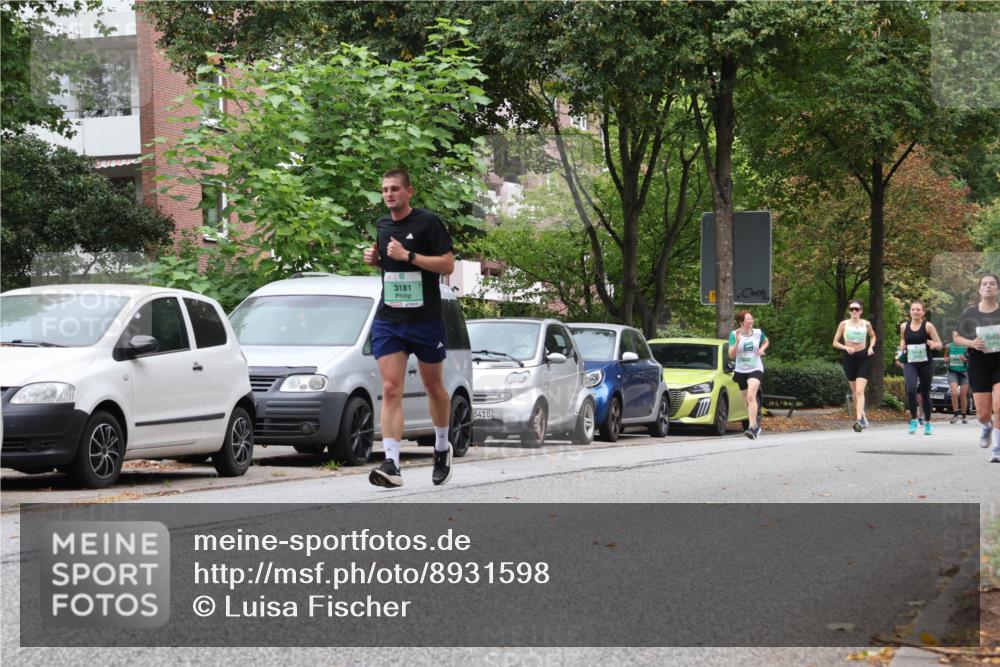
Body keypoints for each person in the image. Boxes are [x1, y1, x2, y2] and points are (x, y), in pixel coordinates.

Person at [363, 168, 456, 487]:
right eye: (385, 189)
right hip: (390, 319)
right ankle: (391, 463)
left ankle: (442, 447)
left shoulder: (428, 222)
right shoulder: (382, 224)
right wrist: (375, 260)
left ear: (408, 192)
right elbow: (390, 265)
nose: (388, 194)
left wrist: (409, 255)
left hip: (425, 319)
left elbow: (447, 265)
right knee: (390, 388)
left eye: (394, 189)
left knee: (434, 387)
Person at [951, 273, 1000, 463]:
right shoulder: (970, 313)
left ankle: (996, 449)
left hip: (999, 363)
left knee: (999, 405)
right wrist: (971, 343)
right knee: (982, 414)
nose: (988, 286)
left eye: (992, 284)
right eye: (985, 284)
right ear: (980, 289)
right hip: (979, 364)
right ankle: (986, 426)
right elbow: (956, 337)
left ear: (997, 289)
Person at [898, 301, 943, 435]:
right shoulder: (904, 326)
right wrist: (902, 345)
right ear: (910, 311)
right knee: (911, 390)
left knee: (925, 393)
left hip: (925, 363)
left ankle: (928, 422)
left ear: (923, 312)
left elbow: (940, 344)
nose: (915, 312)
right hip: (910, 362)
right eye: (913, 309)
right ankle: (913, 420)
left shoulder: (928, 326)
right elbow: (902, 339)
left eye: (918, 310)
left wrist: (933, 344)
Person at [832, 299, 877, 432]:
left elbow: (873, 337)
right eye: (852, 309)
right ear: (849, 311)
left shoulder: (866, 324)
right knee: (854, 392)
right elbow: (835, 342)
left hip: (863, 357)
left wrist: (870, 347)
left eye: (857, 309)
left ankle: (857, 420)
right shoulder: (843, 324)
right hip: (849, 359)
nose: (854, 311)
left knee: (859, 391)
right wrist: (846, 347)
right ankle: (862, 415)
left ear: (861, 311)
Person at [728, 310, 768, 440]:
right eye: (748, 319)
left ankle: (751, 427)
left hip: (755, 368)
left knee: (751, 396)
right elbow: (731, 355)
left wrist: (762, 349)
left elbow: (766, 341)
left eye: (752, 319)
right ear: (741, 322)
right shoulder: (734, 334)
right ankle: (756, 425)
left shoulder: (758, 333)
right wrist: (738, 342)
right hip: (740, 370)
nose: (751, 321)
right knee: (746, 400)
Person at [944, 339, 970, 424]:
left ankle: (964, 416)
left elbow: (972, 360)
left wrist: (965, 360)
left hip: (964, 372)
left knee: (963, 394)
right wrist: (947, 359)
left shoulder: (966, 346)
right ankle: (955, 415)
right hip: (952, 372)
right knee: (954, 392)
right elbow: (945, 357)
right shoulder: (949, 346)